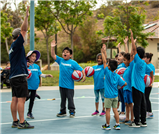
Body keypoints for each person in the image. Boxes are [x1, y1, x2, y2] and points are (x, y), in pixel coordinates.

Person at [9, 6, 34, 129]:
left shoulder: (13, 47)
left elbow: (17, 61)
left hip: (14, 76)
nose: (25, 35)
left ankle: (15, 121)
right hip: (19, 76)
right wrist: (26, 15)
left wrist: (25, 64)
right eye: (23, 35)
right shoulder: (18, 43)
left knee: (14, 98)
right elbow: (24, 30)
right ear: (18, 36)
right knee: (21, 99)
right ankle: (22, 122)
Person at [51, 40, 86, 118]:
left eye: (67, 52)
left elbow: (81, 69)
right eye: (64, 52)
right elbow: (53, 55)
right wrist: (52, 47)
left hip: (69, 85)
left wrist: (83, 75)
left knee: (70, 99)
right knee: (62, 99)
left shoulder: (73, 63)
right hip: (61, 84)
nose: (65, 53)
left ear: (70, 55)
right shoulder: (60, 60)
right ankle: (63, 111)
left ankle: (72, 111)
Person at [129, 30, 153, 127]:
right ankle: (143, 121)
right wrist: (151, 81)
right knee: (143, 104)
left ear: (138, 55)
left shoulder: (138, 61)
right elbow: (151, 71)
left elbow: (134, 50)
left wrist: (132, 38)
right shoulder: (143, 63)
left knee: (137, 104)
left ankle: (137, 122)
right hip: (142, 86)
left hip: (137, 86)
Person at [101, 44, 127, 130]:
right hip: (116, 95)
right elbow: (125, 84)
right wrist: (120, 86)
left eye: (108, 64)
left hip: (108, 96)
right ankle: (117, 124)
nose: (107, 64)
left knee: (107, 110)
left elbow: (104, 62)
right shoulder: (117, 76)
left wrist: (103, 52)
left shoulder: (107, 73)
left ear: (109, 67)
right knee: (115, 110)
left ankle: (107, 125)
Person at [26, 50, 53, 119]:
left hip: (34, 86)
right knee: (25, 98)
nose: (34, 58)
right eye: (33, 56)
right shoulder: (26, 65)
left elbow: (40, 74)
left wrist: (46, 75)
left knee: (32, 101)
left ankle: (29, 112)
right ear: (28, 57)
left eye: (35, 56)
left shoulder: (36, 66)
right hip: (27, 86)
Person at [144, 53, 155, 119]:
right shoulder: (145, 65)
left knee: (146, 97)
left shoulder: (151, 66)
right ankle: (146, 111)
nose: (144, 59)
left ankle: (149, 112)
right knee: (145, 98)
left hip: (148, 85)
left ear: (149, 59)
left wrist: (151, 83)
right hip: (144, 84)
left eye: (145, 58)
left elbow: (152, 76)